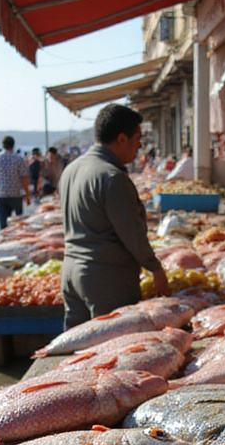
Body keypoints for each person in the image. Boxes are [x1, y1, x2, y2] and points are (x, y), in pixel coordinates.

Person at [58, 103, 169, 331]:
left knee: (78, 348)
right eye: (137, 138)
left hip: (71, 273)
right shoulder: (112, 177)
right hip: (106, 278)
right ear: (121, 139)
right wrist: (156, 269)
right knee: (114, 346)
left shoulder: (71, 169)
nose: (140, 146)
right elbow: (133, 235)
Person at [0, 135, 30, 229]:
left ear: (2, 145)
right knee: (19, 224)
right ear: (13, 145)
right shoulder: (19, 158)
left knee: (3, 224)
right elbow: (24, 178)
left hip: (0, 194)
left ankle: (4, 236)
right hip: (16, 194)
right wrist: (27, 194)